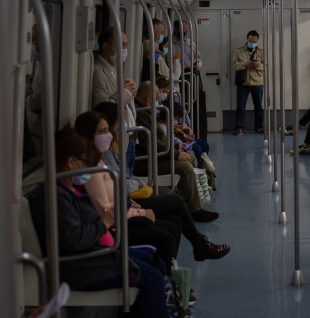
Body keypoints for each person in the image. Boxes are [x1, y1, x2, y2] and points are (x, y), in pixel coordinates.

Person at [26, 126, 196, 318]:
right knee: (148, 279)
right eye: (87, 162)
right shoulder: (54, 196)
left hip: (94, 256)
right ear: (71, 161)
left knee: (152, 259)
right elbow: (73, 240)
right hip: (80, 266)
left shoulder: (69, 189)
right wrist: (105, 223)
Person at [75, 110, 229, 263]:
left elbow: (118, 187)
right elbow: (107, 205)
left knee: (175, 219)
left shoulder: (100, 156)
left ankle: (173, 267)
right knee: (173, 209)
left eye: (108, 129)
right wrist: (138, 210)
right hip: (117, 218)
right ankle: (196, 246)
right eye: (103, 131)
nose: (109, 134)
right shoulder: (94, 165)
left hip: (124, 204)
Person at [132, 82, 219, 223]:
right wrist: (176, 154)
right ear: (149, 98)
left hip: (157, 153)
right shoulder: (141, 114)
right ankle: (195, 211)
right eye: (156, 97)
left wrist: (177, 147)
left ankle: (189, 203)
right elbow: (151, 144)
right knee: (185, 167)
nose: (157, 101)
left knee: (191, 159)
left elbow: (159, 140)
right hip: (145, 160)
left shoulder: (146, 110)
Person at [92, 26, 137, 130]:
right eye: (122, 45)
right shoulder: (97, 72)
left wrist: (131, 89)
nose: (125, 50)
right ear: (106, 46)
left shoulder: (115, 67)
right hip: (114, 132)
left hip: (127, 131)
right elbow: (104, 108)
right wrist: (127, 92)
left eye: (126, 45)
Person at [232, 30, 264, 135]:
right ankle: (239, 127)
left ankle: (259, 127)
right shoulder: (238, 51)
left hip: (257, 82)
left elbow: (265, 66)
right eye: (250, 41)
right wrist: (245, 64)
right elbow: (235, 65)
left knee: (258, 106)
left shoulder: (261, 51)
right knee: (240, 106)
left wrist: (258, 65)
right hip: (243, 83)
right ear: (247, 39)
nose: (252, 43)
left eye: (254, 41)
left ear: (257, 40)